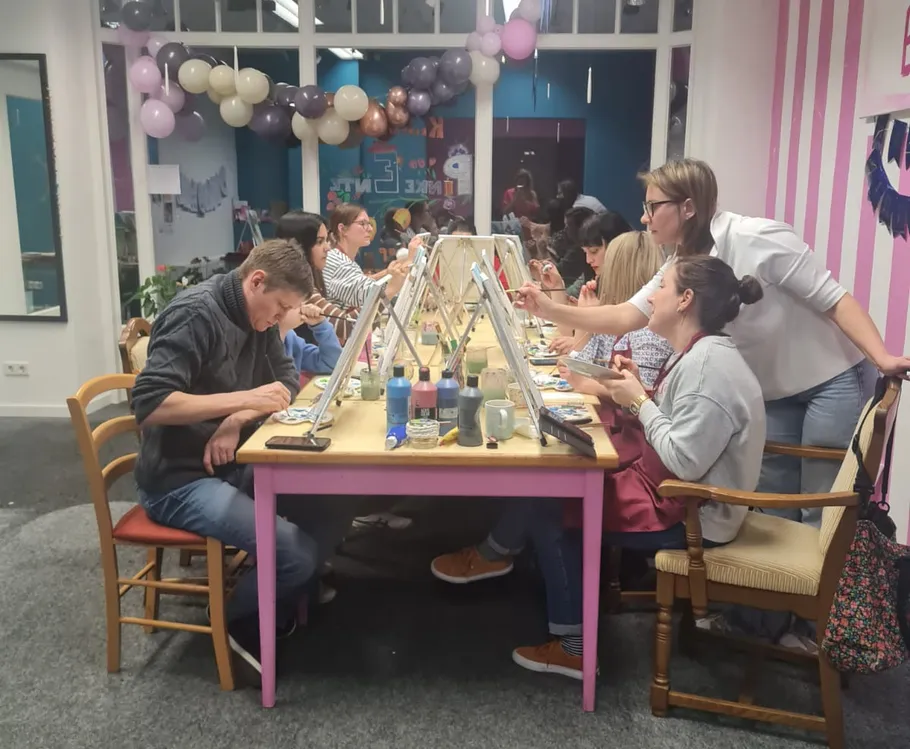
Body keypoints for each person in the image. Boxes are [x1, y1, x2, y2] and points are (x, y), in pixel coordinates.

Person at [517, 158, 909, 518]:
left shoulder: (757, 237)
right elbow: (626, 315)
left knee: (819, 512)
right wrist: (548, 309)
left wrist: (881, 358)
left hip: (831, 378)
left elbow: (834, 299)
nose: (644, 216)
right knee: (773, 504)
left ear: (687, 207)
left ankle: (815, 594)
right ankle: (768, 593)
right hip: (773, 388)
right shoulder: (681, 263)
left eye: (654, 207)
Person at [434, 256, 767, 679]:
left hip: (693, 513)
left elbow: (683, 460)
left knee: (553, 508)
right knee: (556, 488)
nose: (651, 297)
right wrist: (631, 389)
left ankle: (573, 646)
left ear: (685, 300)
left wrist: (638, 400)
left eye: (660, 288)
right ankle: (500, 559)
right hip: (674, 492)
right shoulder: (702, 353)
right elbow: (682, 427)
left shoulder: (707, 368)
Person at [132, 239, 322, 678]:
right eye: (278, 308)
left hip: (229, 460)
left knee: (324, 502)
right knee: (294, 551)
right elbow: (151, 402)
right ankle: (238, 625)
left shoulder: (256, 321)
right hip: (177, 480)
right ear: (256, 281)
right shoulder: (195, 314)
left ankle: (283, 591)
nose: (279, 320)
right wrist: (244, 398)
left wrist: (239, 415)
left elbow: (287, 381)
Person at [275, 210, 358, 345]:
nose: (327, 248)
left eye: (326, 240)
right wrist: (388, 292)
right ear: (300, 244)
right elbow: (344, 326)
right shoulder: (294, 284)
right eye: (319, 242)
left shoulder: (314, 273)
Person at [323, 203, 409, 308]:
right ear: (342, 229)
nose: (370, 229)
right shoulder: (338, 264)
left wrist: (388, 273)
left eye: (369, 224)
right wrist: (396, 283)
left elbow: (359, 281)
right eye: (362, 223)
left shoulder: (339, 258)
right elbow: (370, 299)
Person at [278, 301, 342, 375]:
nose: (303, 307)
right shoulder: (263, 343)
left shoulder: (291, 339)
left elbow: (332, 365)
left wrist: (321, 326)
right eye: (298, 304)